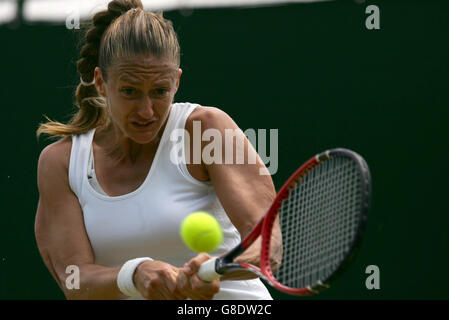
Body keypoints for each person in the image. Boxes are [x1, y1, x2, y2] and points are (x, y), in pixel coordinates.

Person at [35, 0, 281, 300]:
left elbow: (268, 246)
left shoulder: (206, 130)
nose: (146, 111)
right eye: (130, 92)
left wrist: (215, 270)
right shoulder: (60, 162)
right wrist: (135, 273)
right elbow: (74, 281)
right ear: (100, 82)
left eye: (160, 91)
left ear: (176, 81)